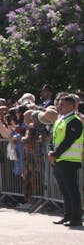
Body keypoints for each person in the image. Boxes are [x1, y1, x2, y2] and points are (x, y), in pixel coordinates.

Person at [48, 93, 82, 227]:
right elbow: (53, 138)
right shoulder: (60, 120)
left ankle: (76, 218)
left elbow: (68, 141)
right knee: (64, 190)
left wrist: (55, 154)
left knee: (72, 190)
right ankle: (67, 215)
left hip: (69, 160)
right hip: (59, 159)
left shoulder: (75, 121)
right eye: (59, 104)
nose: (59, 106)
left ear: (72, 106)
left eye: (62, 104)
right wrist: (51, 151)